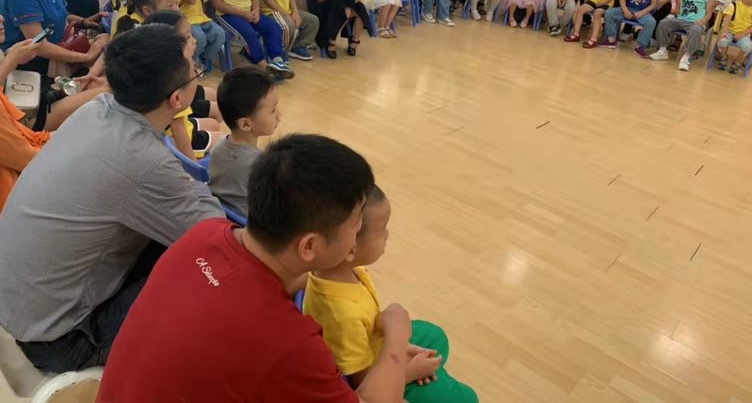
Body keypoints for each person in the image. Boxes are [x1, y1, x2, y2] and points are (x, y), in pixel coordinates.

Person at [97, 134, 413, 402]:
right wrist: (397, 336)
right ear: (309, 246)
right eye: (356, 223)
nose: (359, 230)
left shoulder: (204, 234)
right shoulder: (288, 342)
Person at [0, 24, 224, 373]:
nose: (197, 71)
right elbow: (214, 236)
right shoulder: (142, 160)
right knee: (214, 274)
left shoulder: (98, 108)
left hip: (19, 306)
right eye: (194, 67)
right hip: (63, 340)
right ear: (177, 99)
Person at [304, 185, 479, 403]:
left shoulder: (344, 272)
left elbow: (368, 330)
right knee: (466, 398)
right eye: (382, 229)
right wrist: (411, 371)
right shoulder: (341, 314)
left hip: (378, 346)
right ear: (351, 248)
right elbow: (361, 383)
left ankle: (433, 376)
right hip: (379, 378)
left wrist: (400, 346)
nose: (387, 235)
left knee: (434, 335)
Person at [0, 14, 106, 208]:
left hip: (24, 130)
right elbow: (28, 159)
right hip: (16, 196)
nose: (1, 18)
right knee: (104, 94)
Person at [141, 12, 224, 159]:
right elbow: (178, 129)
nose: (194, 41)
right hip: (177, 138)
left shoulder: (161, 67)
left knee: (214, 124)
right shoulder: (175, 80)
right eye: (188, 37)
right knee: (227, 143)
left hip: (180, 127)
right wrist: (193, 165)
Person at [208, 67, 279, 216]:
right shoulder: (262, 165)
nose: (279, 115)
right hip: (249, 221)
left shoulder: (218, 146)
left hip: (221, 213)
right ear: (245, 124)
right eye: (273, 110)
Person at [650, 0, 714, 70]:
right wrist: (678, 14)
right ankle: (663, 50)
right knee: (663, 23)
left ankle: (686, 57)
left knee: (696, 30)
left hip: (695, 23)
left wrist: (702, 21)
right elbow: (678, 5)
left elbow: (709, 14)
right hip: (681, 19)